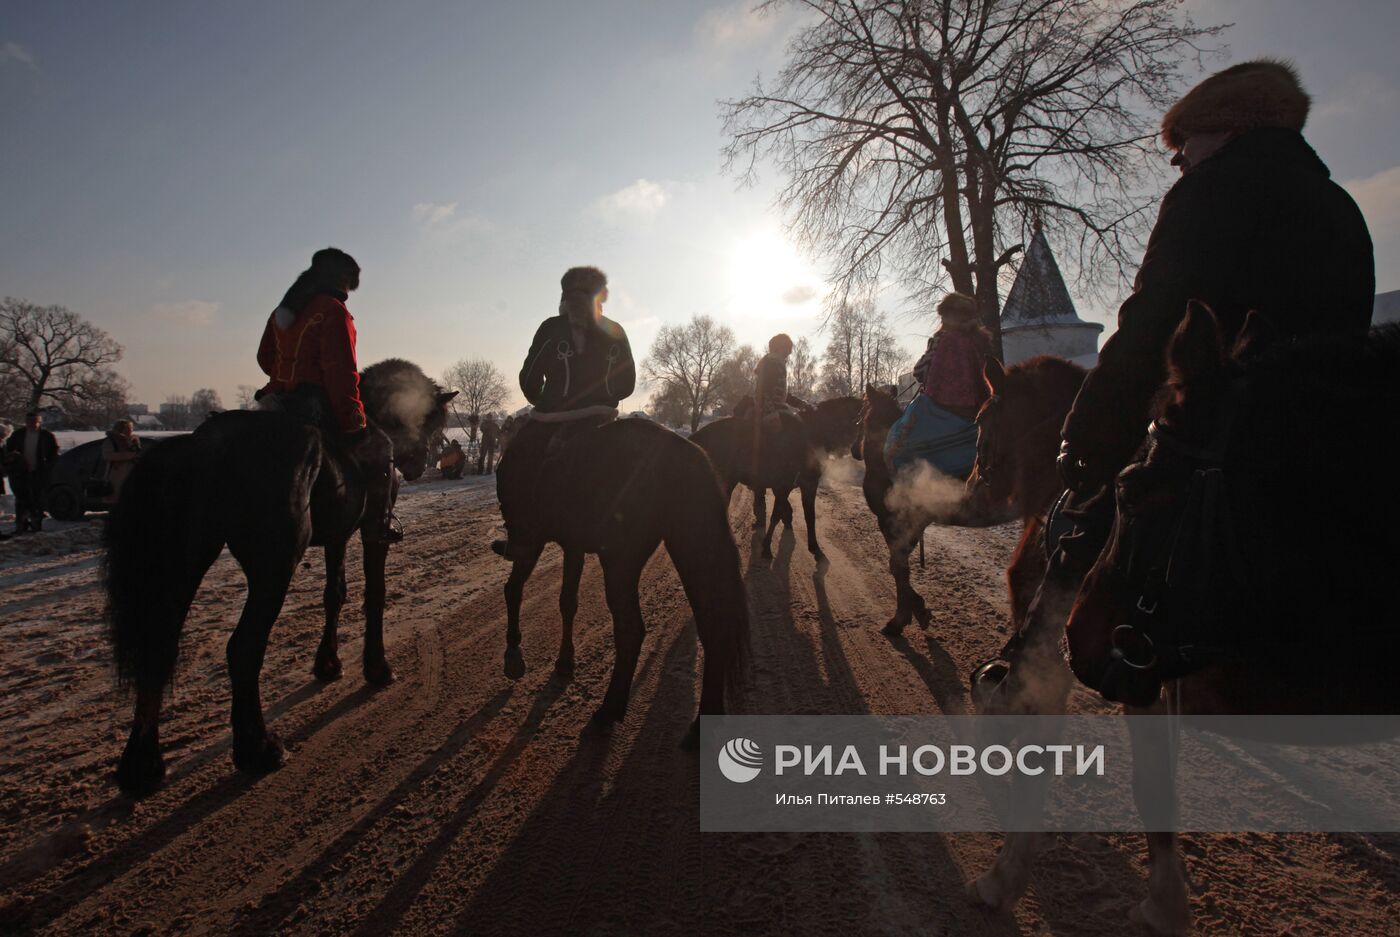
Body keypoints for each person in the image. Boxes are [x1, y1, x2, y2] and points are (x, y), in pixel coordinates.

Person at [991, 59, 1375, 704]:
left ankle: (1028, 675)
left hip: (1220, 418)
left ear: (1218, 131)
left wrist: (1086, 435)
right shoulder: (1341, 206)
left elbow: (1151, 323)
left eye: (1181, 149)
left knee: (1079, 525)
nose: (1179, 163)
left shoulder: (1211, 191)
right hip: (1330, 439)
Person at [255, 247, 401, 543]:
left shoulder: (283, 311)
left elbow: (264, 358)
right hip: (314, 405)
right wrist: (353, 423)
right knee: (382, 447)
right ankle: (379, 525)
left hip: (275, 402)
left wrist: (287, 375)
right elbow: (341, 373)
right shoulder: (333, 310)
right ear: (342, 279)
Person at [492, 266, 635, 559]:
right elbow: (628, 384)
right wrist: (604, 397)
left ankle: (518, 538)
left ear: (565, 297)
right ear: (600, 298)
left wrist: (545, 399)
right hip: (601, 417)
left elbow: (529, 380)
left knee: (509, 468)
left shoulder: (551, 328)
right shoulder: (615, 330)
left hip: (553, 419)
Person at [885, 293, 992, 476]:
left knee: (897, 439)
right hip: (975, 411)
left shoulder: (942, 339)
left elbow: (920, 371)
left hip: (939, 408)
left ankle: (903, 482)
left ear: (948, 316)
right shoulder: (981, 341)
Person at [4, 411, 59, 535]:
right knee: (21, 499)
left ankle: (36, 524)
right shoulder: (17, 435)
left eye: (35, 421)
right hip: (19, 473)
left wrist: (49, 467)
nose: (32, 424)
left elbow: (53, 454)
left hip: (39, 472)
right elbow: (8, 453)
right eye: (29, 421)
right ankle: (20, 525)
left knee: (37, 499)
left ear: (39, 422)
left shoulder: (46, 436)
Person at [101, 419, 141, 504]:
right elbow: (107, 455)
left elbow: (138, 454)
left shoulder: (134, 441)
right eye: (128, 428)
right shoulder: (111, 441)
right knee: (117, 500)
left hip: (131, 474)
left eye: (131, 428)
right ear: (120, 429)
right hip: (116, 475)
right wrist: (129, 455)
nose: (130, 430)